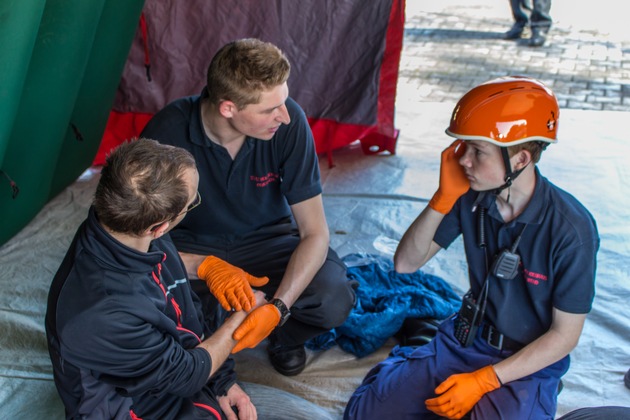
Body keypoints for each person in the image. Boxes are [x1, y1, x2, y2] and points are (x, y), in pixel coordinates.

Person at [344, 76, 599, 419]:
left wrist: (485, 381)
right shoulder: (471, 197)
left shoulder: (571, 229)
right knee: (366, 414)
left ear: (520, 159)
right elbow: (405, 263)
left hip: (524, 363)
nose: (463, 160)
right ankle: (417, 352)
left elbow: (565, 336)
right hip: (466, 340)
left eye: (477, 151)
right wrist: (442, 198)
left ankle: (537, 394)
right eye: (463, 147)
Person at [45, 139, 336, 419]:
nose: (194, 203)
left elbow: (177, 304)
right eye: (191, 203)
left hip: (181, 379)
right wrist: (242, 315)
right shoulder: (101, 313)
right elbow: (186, 375)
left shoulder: (120, 225)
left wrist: (205, 266)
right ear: (158, 227)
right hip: (137, 408)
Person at [140, 38, 355, 376]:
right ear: (228, 108)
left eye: (284, 101)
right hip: (192, 247)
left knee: (333, 297)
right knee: (141, 305)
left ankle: (284, 336)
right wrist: (205, 266)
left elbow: (314, 232)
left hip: (269, 241)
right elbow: (133, 243)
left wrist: (280, 309)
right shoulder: (165, 133)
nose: (284, 116)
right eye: (271, 110)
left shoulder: (290, 122)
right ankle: (206, 342)